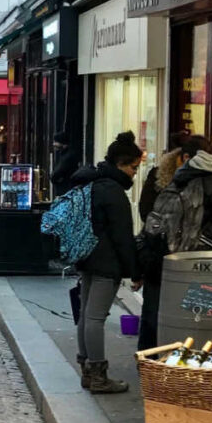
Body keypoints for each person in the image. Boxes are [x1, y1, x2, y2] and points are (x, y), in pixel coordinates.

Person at [69, 131, 142, 394]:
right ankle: (99, 375)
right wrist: (135, 271)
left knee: (86, 317)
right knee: (95, 318)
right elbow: (123, 237)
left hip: (86, 258)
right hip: (105, 263)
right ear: (121, 165)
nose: (135, 173)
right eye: (134, 167)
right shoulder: (113, 192)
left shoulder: (92, 183)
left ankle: (87, 371)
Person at [136, 134, 211, 350]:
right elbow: (146, 212)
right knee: (154, 312)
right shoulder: (162, 177)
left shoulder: (197, 181)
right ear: (184, 157)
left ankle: (157, 358)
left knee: (172, 312)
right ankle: (150, 361)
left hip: (172, 255)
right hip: (160, 253)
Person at [51, 131, 80, 198]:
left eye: (56, 142)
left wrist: (53, 178)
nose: (53, 144)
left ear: (63, 143)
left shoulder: (67, 157)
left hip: (65, 190)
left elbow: (57, 173)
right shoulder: (67, 154)